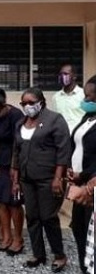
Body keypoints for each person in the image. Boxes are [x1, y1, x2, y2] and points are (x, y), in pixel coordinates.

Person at [11, 87, 70, 272]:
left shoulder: (54, 120)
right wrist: (15, 179)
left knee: (48, 217)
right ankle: (38, 254)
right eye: (23, 103)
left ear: (41, 102)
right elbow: (16, 151)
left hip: (48, 178)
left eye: (30, 102)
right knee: (32, 216)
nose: (27, 106)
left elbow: (63, 150)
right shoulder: (20, 123)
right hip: (27, 179)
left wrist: (58, 178)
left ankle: (59, 255)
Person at [0, 88, 25, 255]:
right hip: (1, 162)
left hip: (16, 161)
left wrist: (14, 167)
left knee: (14, 202)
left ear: (3, 105)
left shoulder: (16, 115)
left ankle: (18, 238)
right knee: (2, 201)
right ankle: (6, 237)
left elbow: (20, 143)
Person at [69, 74, 96, 274]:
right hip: (79, 183)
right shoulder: (88, 117)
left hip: (91, 185)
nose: (85, 101)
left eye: (90, 97)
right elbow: (77, 143)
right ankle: (84, 267)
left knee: (91, 231)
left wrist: (84, 174)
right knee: (78, 227)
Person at [52, 64, 84, 132]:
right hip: (62, 135)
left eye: (65, 74)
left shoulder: (83, 94)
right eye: (60, 74)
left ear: (74, 76)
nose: (62, 76)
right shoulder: (56, 96)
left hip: (78, 134)